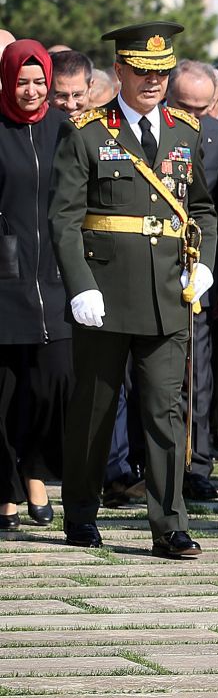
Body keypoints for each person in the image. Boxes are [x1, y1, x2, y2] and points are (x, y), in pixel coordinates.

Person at [50, 22, 217, 556]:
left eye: (161, 71)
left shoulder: (186, 132)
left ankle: (169, 523)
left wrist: (204, 264)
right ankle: (80, 510)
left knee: (165, 411)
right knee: (96, 410)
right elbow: (64, 217)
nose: (153, 81)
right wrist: (80, 285)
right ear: (119, 71)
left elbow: (203, 209)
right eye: (142, 71)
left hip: (168, 292)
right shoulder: (87, 131)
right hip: (104, 292)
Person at [0, 41, 73, 529]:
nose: (31, 91)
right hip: (5, 278)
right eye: (22, 81)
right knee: (3, 394)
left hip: (57, 279)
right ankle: (7, 489)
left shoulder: (64, 130)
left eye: (38, 81)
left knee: (53, 386)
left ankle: (37, 470)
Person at [166, 61, 218, 501]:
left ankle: (198, 462)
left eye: (201, 107)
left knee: (198, 376)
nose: (191, 116)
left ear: (216, 102)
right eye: (182, 105)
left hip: (199, 276)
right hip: (149, 267)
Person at [48, 50, 93, 118]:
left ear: (90, 87)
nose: (70, 105)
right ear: (47, 91)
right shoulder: (33, 127)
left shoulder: (104, 125)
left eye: (77, 95)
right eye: (62, 96)